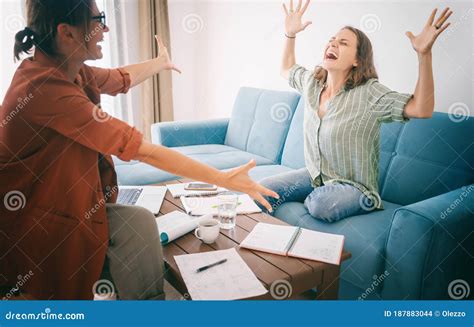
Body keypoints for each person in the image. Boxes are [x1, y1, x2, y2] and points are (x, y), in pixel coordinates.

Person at [0, 0, 278, 300]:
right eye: (98, 19)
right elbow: (140, 149)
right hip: (34, 226)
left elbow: (120, 77)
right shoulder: (42, 88)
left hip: (69, 206)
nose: (104, 28)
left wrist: (159, 63)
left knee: (140, 223)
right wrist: (223, 179)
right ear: (66, 33)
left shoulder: (72, 71)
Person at [259, 0, 452, 222]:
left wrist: (424, 55)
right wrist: (290, 35)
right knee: (263, 190)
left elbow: (422, 108)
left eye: (343, 43)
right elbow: (286, 68)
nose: (332, 44)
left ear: (357, 60)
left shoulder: (369, 93)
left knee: (320, 204)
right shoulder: (312, 83)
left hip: (355, 189)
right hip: (315, 177)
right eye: (332, 40)